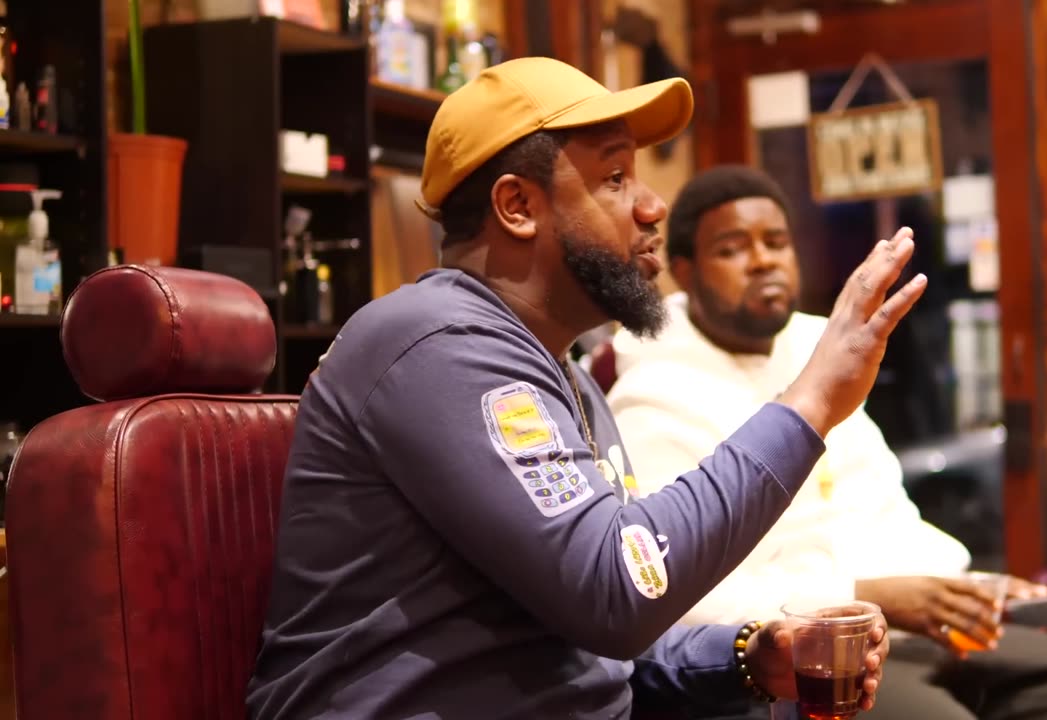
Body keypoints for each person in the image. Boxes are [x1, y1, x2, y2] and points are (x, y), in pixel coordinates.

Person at [245, 59, 924, 719]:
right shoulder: (435, 343)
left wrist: (747, 656)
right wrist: (810, 402)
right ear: (517, 206)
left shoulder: (562, 376)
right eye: (616, 177)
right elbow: (618, 588)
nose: (654, 205)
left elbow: (600, 649)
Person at [606, 164, 1047, 720]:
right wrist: (870, 597)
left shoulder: (822, 351)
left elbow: (883, 512)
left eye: (775, 242)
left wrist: (966, 591)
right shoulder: (653, 398)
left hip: (916, 633)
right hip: (814, 655)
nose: (763, 261)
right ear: (683, 270)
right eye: (732, 249)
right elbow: (681, 598)